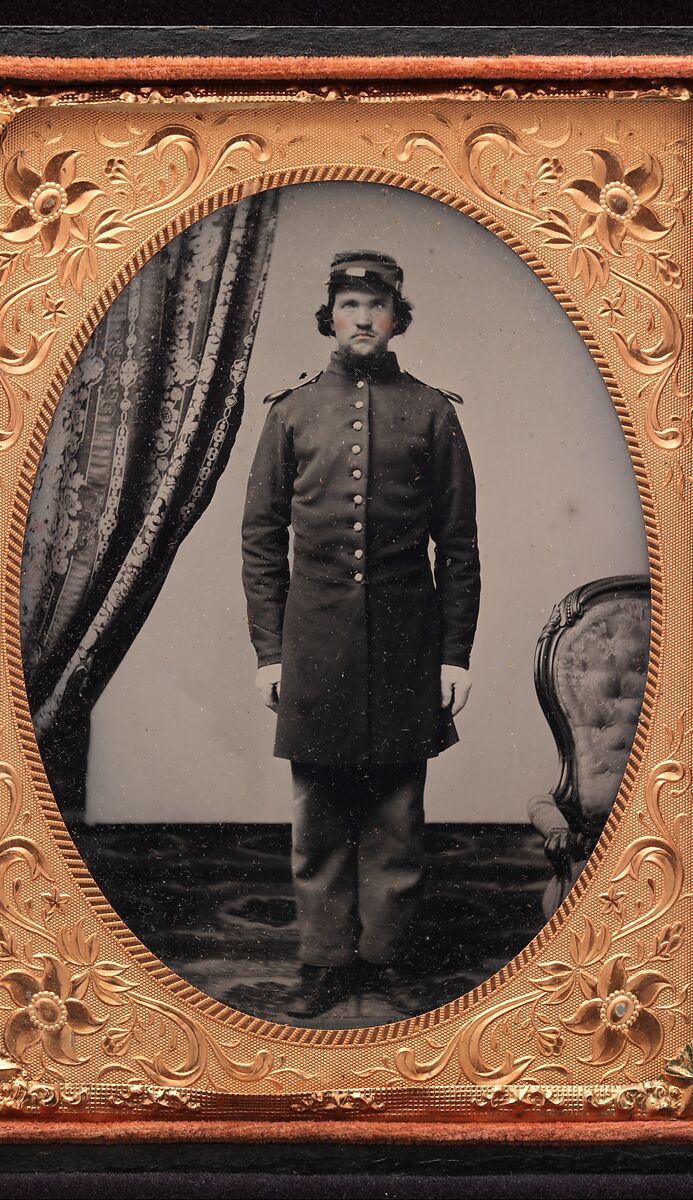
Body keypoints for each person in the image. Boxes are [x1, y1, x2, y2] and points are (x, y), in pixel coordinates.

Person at [241, 250, 480, 1019]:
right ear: (330, 318)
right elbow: (259, 539)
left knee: (398, 812)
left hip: (408, 644)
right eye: (348, 306)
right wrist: (269, 651)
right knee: (318, 809)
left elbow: (461, 544)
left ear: (397, 317)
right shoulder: (291, 413)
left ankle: (384, 958)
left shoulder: (433, 413)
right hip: (313, 643)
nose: (363, 320)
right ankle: (322, 960)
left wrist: (454, 653)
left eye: (376, 307)